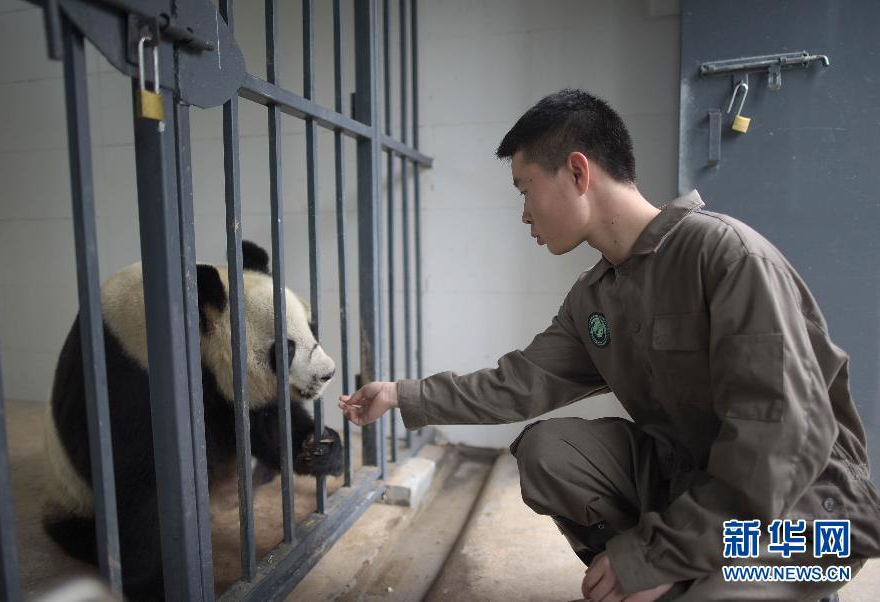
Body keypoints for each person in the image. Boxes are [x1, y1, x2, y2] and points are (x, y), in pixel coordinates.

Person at [338, 89, 880, 601]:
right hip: (695, 479)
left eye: (525, 190)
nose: (524, 213)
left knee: (718, 574)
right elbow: (518, 384)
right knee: (549, 452)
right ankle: (677, 568)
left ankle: (778, 580)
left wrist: (656, 557)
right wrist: (403, 395)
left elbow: (777, 444)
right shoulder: (596, 297)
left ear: (577, 172)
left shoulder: (727, 256)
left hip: (806, 511)